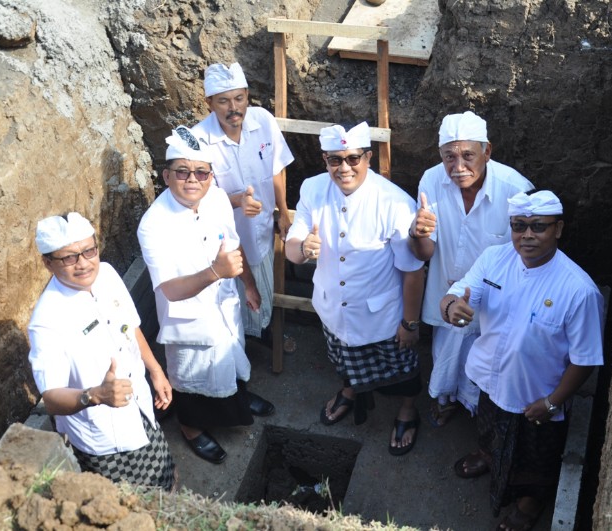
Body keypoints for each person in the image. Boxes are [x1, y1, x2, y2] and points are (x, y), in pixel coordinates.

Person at [439, 191, 604, 530]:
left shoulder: (579, 291)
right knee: (488, 430)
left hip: (536, 398)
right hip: (489, 381)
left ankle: (529, 504)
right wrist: (452, 307)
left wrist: (552, 402)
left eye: (538, 227)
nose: (527, 235)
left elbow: (585, 360)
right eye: (519, 226)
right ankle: (488, 457)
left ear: (558, 229)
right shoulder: (494, 259)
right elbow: (457, 293)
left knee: (535, 459)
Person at [137, 126, 275, 465]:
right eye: (182, 172)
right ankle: (190, 428)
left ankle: (237, 398)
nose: (192, 179)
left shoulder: (215, 198)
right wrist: (215, 272)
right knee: (192, 378)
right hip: (189, 321)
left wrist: (249, 284)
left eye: (201, 172)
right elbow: (169, 289)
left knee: (231, 356)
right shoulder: (153, 225)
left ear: (211, 177)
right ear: (166, 176)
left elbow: (232, 245)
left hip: (224, 305)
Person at [285, 122, 425, 456]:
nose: (344, 168)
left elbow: (413, 270)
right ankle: (349, 391)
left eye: (352, 158)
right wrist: (303, 247)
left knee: (402, 370)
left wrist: (410, 323)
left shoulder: (394, 202)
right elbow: (291, 247)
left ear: (368, 158)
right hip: (333, 306)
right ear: (325, 160)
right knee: (343, 358)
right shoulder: (313, 189)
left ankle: (408, 410)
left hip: (381, 316)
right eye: (335, 160)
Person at [28, 212, 175, 489]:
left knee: (165, 479)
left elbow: (131, 326)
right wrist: (95, 395)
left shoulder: (106, 274)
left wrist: (155, 370)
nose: (83, 263)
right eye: (69, 257)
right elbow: (51, 398)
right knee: (132, 502)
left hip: (140, 405)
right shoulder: (47, 320)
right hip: (106, 439)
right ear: (48, 263)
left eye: (89, 251)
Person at [409, 111, 534, 426]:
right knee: (446, 355)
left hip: (493, 303)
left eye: (468, 155)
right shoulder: (431, 181)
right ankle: (446, 400)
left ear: (487, 151)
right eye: (449, 157)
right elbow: (425, 252)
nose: (458, 166)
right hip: (445, 294)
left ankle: (478, 415)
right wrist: (417, 233)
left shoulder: (516, 191)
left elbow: (527, 259)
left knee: (487, 366)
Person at [190, 62, 295, 343]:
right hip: (224, 239)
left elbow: (276, 167)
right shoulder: (198, 141)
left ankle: (262, 333)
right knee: (232, 296)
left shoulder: (263, 121)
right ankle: (241, 343)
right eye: (223, 101)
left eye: (239, 98)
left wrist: (283, 212)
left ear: (247, 95)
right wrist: (236, 200)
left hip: (262, 227)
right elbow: (194, 199)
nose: (233, 107)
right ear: (209, 103)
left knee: (261, 289)